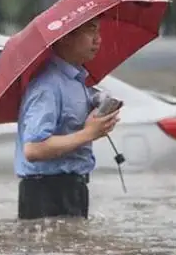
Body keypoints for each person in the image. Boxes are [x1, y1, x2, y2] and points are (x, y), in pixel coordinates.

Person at [15, 18, 121, 220]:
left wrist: (98, 107)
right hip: (46, 192)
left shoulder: (77, 80)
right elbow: (33, 149)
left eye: (98, 31)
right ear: (65, 37)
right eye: (91, 31)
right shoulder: (47, 86)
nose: (98, 39)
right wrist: (89, 133)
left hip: (73, 187)